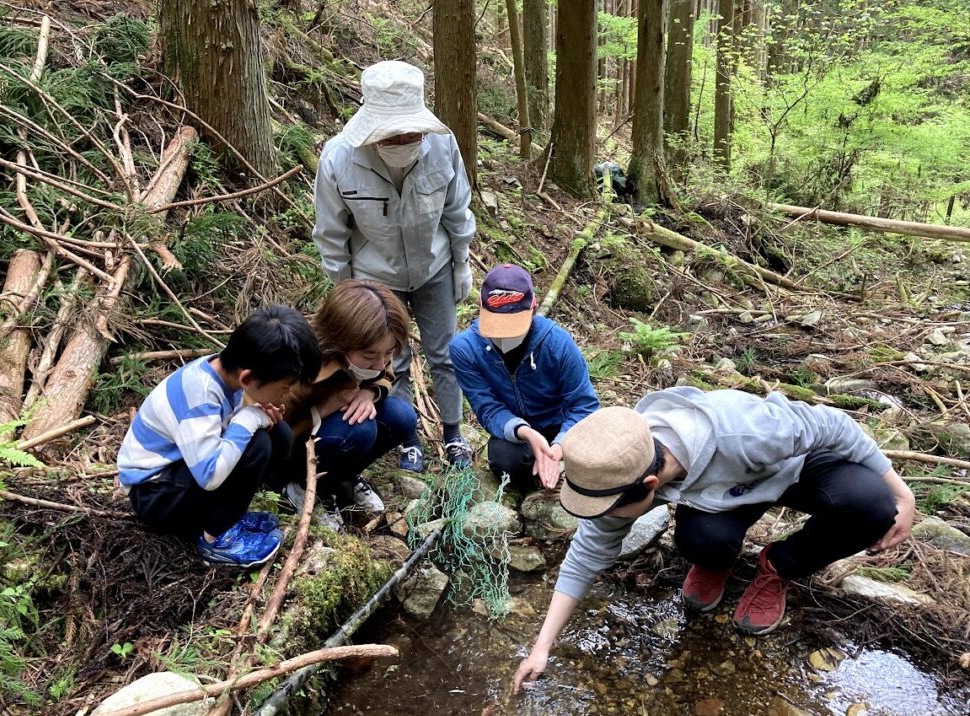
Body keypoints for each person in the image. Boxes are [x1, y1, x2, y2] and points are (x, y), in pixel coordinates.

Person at [513, 388, 917, 692]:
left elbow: (836, 425)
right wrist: (542, 647)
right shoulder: (617, 467)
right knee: (702, 539)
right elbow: (585, 556)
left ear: (651, 485)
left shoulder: (748, 432)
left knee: (872, 507)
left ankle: (779, 567)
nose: (603, 520)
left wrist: (903, 492)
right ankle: (715, 562)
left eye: (608, 512)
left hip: (793, 468)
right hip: (726, 495)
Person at [312, 60, 477, 472]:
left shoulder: (442, 145)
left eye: (412, 131)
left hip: (434, 266)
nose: (406, 138)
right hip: (375, 276)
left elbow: (457, 208)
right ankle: (409, 440)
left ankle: (454, 434)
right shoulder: (339, 159)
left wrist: (461, 260)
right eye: (395, 133)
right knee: (392, 360)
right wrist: (346, 291)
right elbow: (331, 233)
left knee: (445, 353)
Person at [117, 306, 322, 567]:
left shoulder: (227, 374)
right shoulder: (200, 396)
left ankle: (225, 517)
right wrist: (249, 418)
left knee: (277, 434)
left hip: (180, 474)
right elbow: (210, 475)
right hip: (152, 493)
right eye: (284, 387)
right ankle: (215, 539)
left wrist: (255, 417)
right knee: (256, 443)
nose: (286, 394)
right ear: (247, 377)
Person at [449, 264, 600, 494]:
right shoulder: (466, 349)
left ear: (533, 307)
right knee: (503, 459)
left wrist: (556, 450)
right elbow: (488, 409)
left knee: (598, 453)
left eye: (513, 326)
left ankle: (561, 470)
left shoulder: (557, 343)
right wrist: (526, 432)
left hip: (562, 424)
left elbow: (584, 405)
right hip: (517, 432)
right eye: (497, 325)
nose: (503, 335)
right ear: (480, 307)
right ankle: (531, 487)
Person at [280, 279, 419, 518]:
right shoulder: (303, 364)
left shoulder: (379, 354)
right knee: (361, 429)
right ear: (341, 340)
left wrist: (369, 392)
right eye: (369, 356)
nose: (380, 363)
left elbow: (385, 374)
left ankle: (343, 478)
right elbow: (276, 426)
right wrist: (321, 410)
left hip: (337, 429)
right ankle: (306, 488)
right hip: (295, 450)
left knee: (402, 416)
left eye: (388, 353)